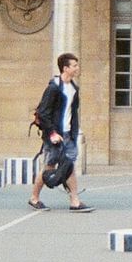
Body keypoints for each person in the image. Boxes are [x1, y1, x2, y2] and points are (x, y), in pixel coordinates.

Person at [28, 52, 93, 212]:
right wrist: (52, 133)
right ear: (65, 68)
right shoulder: (53, 88)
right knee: (49, 166)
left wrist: (73, 132)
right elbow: (43, 113)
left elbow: (73, 113)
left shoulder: (74, 88)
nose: (77, 68)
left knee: (69, 165)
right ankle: (34, 197)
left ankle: (75, 201)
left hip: (68, 134)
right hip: (54, 135)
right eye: (74, 65)